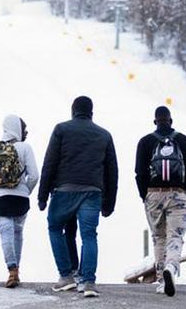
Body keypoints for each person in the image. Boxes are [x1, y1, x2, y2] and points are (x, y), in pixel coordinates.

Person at [38, 96, 118, 298]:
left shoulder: (61, 129)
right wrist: (110, 202)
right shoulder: (104, 135)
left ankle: (66, 277)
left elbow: (50, 163)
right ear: (91, 112)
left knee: (55, 227)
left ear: (73, 111)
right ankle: (89, 282)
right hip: (93, 192)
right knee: (89, 235)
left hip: (64, 190)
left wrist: (42, 195)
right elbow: (112, 172)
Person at [134, 106, 186, 297]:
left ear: (155, 122)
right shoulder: (185, 141)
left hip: (153, 194)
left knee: (159, 237)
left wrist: (145, 196)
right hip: (178, 194)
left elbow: (139, 173)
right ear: (171, 120)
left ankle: (162, 280)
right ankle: (171, 266)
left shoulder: (145, 142)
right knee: (175, 237)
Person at [0, 114, 39, 288]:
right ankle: (17, 271)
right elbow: (34, 175)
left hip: (1, 199)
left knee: (5, 232)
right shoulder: (25, 147)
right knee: (17, 233)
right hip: (21, 199)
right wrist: (24, 190)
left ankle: (11, 270)